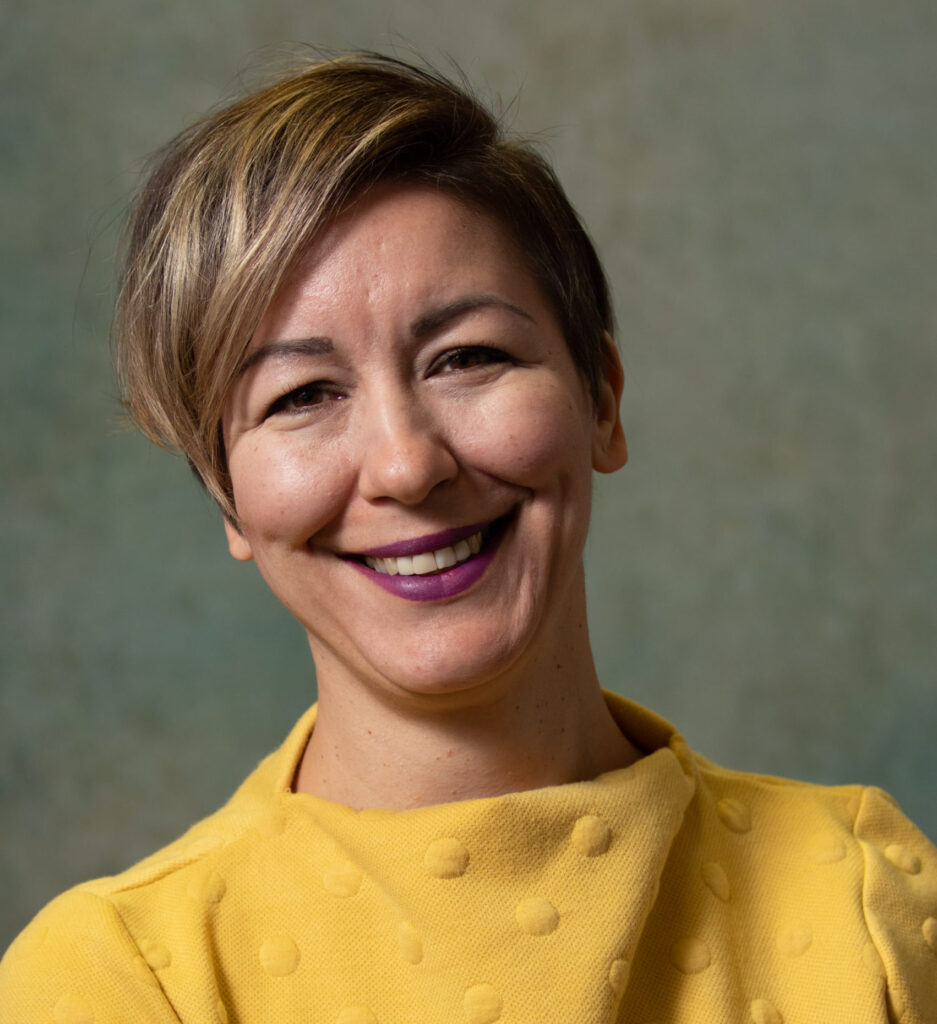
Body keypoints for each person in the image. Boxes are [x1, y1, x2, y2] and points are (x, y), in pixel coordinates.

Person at [1, 53, 935, 1024]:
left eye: (467, 357)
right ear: (226, 497)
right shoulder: (122, 979)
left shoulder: (874, 907)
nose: (407, 466)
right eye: (302, 395)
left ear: (601, 402)